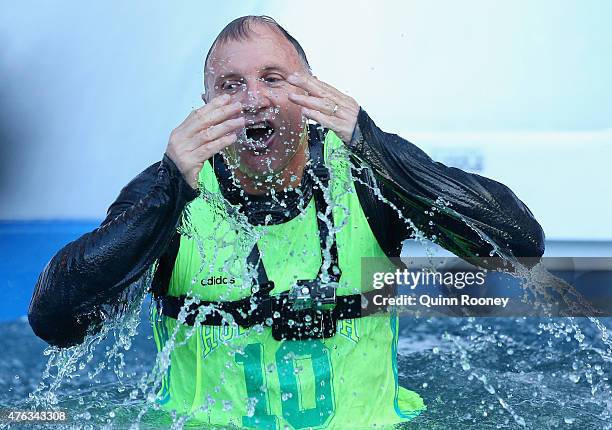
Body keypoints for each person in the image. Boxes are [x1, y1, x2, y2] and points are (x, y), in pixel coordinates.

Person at [28, 15, 545, 429]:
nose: (253, 100)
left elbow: (519, 245)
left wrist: (377, 146)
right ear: (205, 108)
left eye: (272, 79)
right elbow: (55, 322)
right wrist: (168, 190)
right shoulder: (170, 193)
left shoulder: (368, 176)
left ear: (310, 94)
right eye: (230, 87)